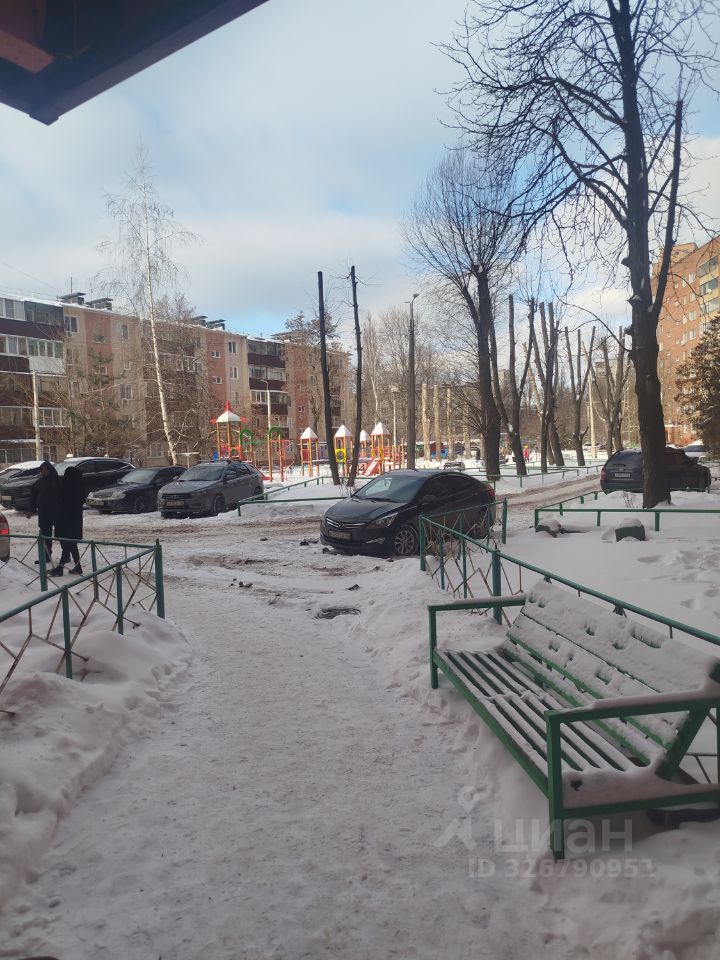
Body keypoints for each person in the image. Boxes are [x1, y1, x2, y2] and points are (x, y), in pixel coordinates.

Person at [51, 465, 85, 576]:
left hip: (66, 520)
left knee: (67, 544)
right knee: (72, 544)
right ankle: (77, 567)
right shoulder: (79, 486)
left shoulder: (68, 487)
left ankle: (60, 568)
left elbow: (62, 503)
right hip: (74, 520)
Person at [27, 460, 61, 564]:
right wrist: (31, 510)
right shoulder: (39, 482)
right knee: (46, 535)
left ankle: (66, 554)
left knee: (61, 534)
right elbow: (34, 497)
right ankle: (46, 556)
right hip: (44, 513)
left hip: (57, 512)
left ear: (50, 470)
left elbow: (64, 497)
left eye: (45, 469)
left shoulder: (59, 481)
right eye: (41, 470)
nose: (43, 472)